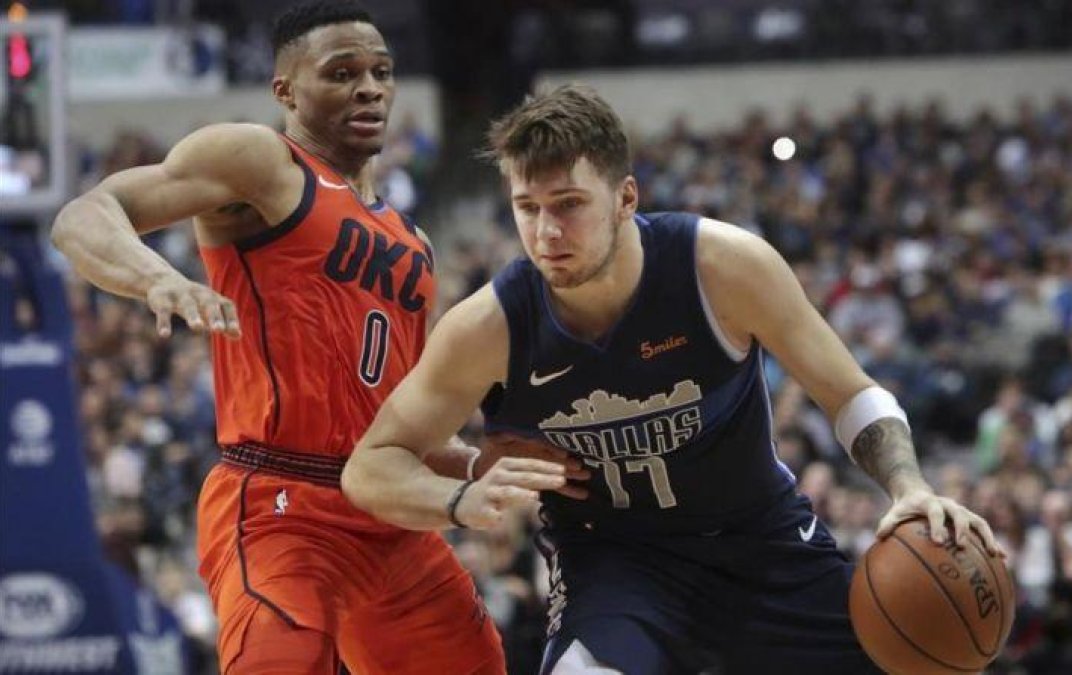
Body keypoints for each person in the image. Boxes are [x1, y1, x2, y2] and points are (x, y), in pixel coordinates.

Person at [341, 84, 1004, 674]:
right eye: (527, 206)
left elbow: (850, 391)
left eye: (569, 203)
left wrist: (908, 484)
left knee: (928, 658)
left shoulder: (721, 266)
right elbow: (371, 465)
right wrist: (460, 499)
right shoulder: (489, 326)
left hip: (760, 542)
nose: (546, 231)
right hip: (615, 564)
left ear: (626, 196)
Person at [50, 2, 572, 672]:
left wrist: (479, 465)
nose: (370, 87)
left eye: (381, 72)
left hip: (386, 508)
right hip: (278, 502)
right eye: (343, 72)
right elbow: (85, 213)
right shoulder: (263, 161)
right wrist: (157, 278)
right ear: (285, 90)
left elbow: (397, 428)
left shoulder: (413, 242)